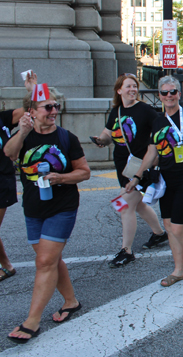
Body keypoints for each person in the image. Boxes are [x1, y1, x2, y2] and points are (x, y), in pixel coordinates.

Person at [5, 88, 91, 343]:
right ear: (31, 112)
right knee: (51, 260)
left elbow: (84, 172)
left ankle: (32, 321)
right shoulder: (24, 137)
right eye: (47, 107)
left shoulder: (67, 138)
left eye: (56, 106)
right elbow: (9, 154)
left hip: (62, 207)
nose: (54, 112)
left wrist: (61, 178)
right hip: (33, 208)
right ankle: (71, 301)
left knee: (44, 261)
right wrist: (22, 131)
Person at [125, 76, 183, 286]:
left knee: (179, 228)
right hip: (165, 179)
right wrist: (137, 176)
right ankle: (179, 269)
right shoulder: (158, 120)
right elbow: (152, 152)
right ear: (160, 96)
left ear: (179, 94)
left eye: (173, 92)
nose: (169, 96)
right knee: (169, 226)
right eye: (164, 93)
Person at [92, 74, 167, 268]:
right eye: (128, 86)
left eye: (135, 86)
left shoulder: (145, 110)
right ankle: (159, 234)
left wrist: (155, 155)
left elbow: (161, 129)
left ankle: (127, 251)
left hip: (141, 166)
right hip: (123, 166)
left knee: (124, 205)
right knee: (137, 204)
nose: (133, 89)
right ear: (119, 90)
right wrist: (101, 140)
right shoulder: (116, 110)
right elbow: (108, 133)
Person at [0, 71, 37, 282]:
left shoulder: (3, 118)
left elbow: (33, 110)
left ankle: (6, 266)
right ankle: (6, 265)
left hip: (2, 179)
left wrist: (32, 89)